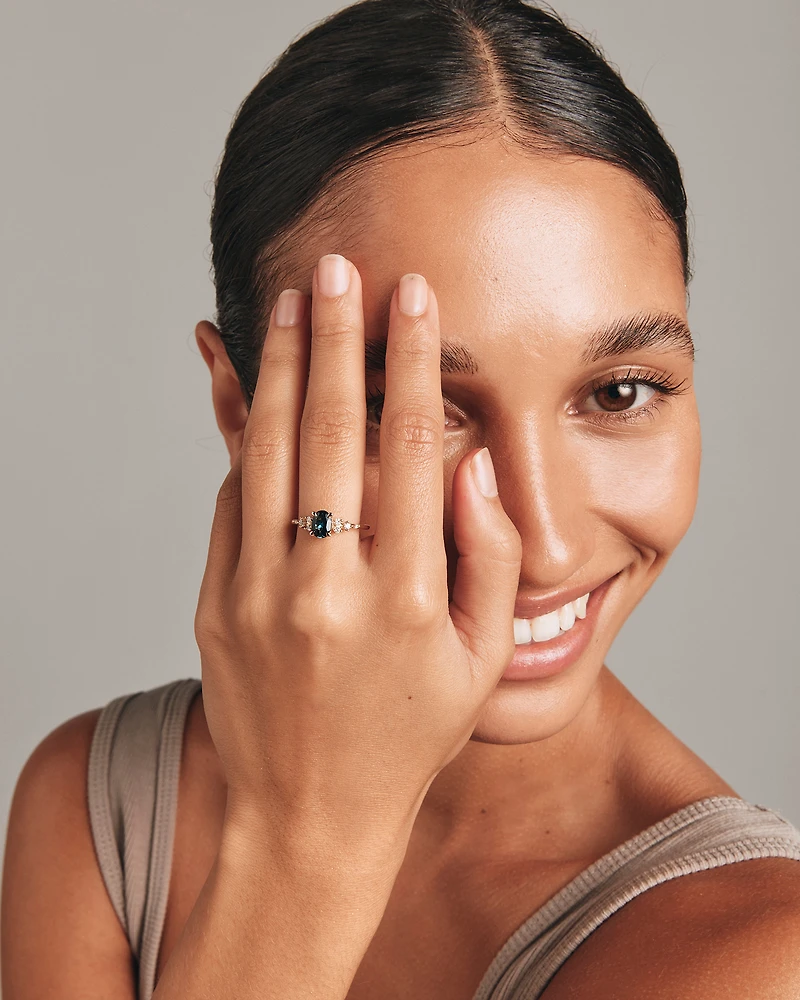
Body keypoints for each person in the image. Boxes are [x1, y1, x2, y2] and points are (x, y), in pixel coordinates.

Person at [3, 1, 800, 997]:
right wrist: (307, 839)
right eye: (410, 410)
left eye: (617, 392)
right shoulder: (97, 805)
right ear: (237, 407)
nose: (543, 546)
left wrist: (304, 839)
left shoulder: (753, 956)